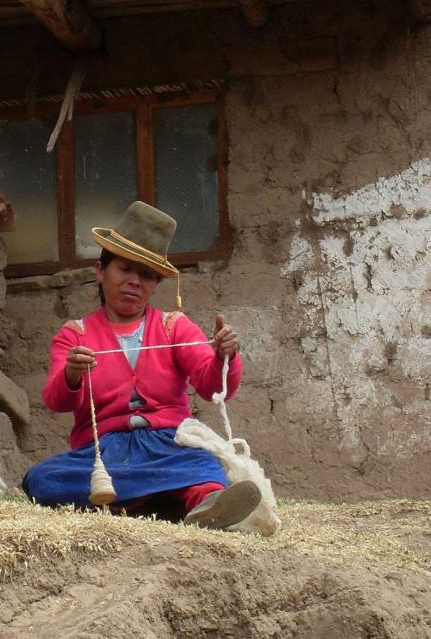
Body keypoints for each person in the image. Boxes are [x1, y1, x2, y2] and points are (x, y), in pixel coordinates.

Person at [22, 201, 261, 529]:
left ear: (154, 285)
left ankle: (194, 503)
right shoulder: (75, 334)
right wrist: (72, 374)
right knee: (42, 479)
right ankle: (161, 501)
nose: (135, 281)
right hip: (105, 454)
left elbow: (212, 387)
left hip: (169, 446)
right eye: (125, 269)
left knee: (204, 466)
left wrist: (225, 356)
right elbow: (55, 399)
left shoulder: (174, 326)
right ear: (100, 271)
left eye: (146, 275)